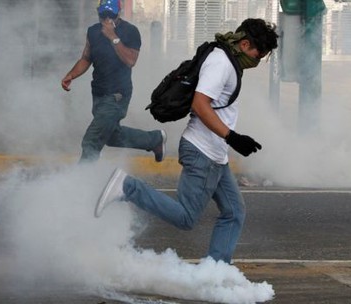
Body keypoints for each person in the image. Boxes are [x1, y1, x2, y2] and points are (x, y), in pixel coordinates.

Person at [95, 18, 279, 264]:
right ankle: (128, 187)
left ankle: (215, 272)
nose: (258, 61)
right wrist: (232, 137)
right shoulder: (221, 63)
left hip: (215, 154)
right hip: (203, 151)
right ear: (245, 44)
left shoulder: (226, 59)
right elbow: (200, 104)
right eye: (260, 54)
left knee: (234, 212)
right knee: (185, 217)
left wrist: (228, 142)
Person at [61, 0, 166, 163]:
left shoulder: (130, 31)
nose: (107, 18)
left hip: (117, 95)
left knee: (91, 140)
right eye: (103, 14)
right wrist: (71, 75)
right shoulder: (93, 31)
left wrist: (113, 37)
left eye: (111, 14)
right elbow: (86, 58)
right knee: (109, 135)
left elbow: (131, 60)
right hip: (98, 93)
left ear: (119, 12)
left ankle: (81, 181)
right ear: (98, 12)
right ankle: (154, 140)